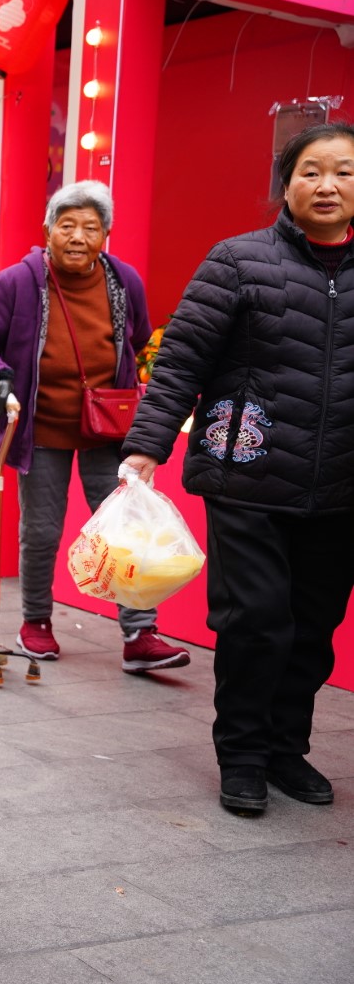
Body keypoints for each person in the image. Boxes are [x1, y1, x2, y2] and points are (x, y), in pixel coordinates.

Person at [123, 123, 354, 816]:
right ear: (287, 182)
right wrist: (146, 446)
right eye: (311, 171)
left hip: (341, 486)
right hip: (247, 474)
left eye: (343, 172)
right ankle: (244, 756)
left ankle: (286, 749)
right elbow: (181, 361)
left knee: (312, 627)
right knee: (256, 620)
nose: (327, 186)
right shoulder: (237, 261)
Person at [0, 180, 190, 674]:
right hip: (40, 428)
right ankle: (36, 622)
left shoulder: (124, 281)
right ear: (48, 231)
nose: (78, 237)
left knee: (124, 529)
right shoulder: (18, 282)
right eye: (67, 226)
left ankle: (139, 633)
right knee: (41, 531)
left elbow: (139, 342)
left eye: (91, 227)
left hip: (110, 427)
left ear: (105, 235)